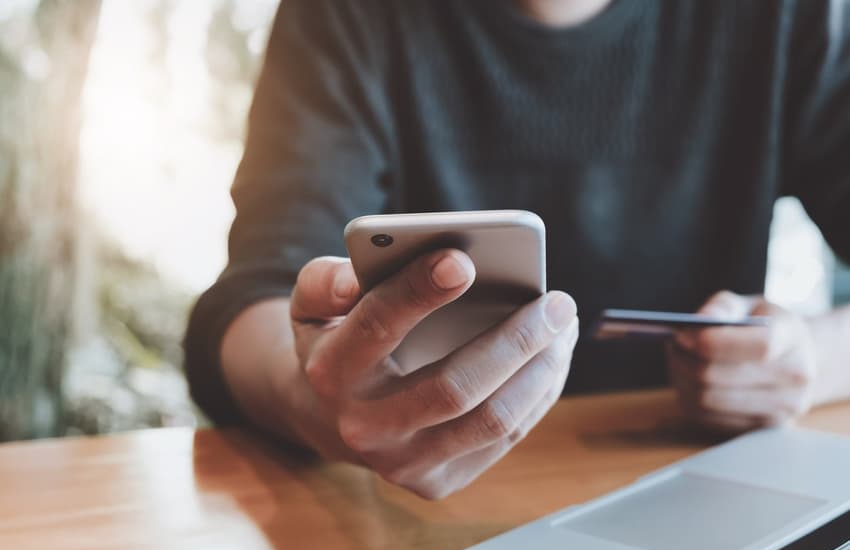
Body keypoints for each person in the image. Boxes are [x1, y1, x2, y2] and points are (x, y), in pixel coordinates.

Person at [184, 0, 850, 499]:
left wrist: (806, 362)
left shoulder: (791, 14)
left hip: (703, 485)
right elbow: (255, 295)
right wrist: (312, 399)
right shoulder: (344, 13)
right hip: (423, 516)